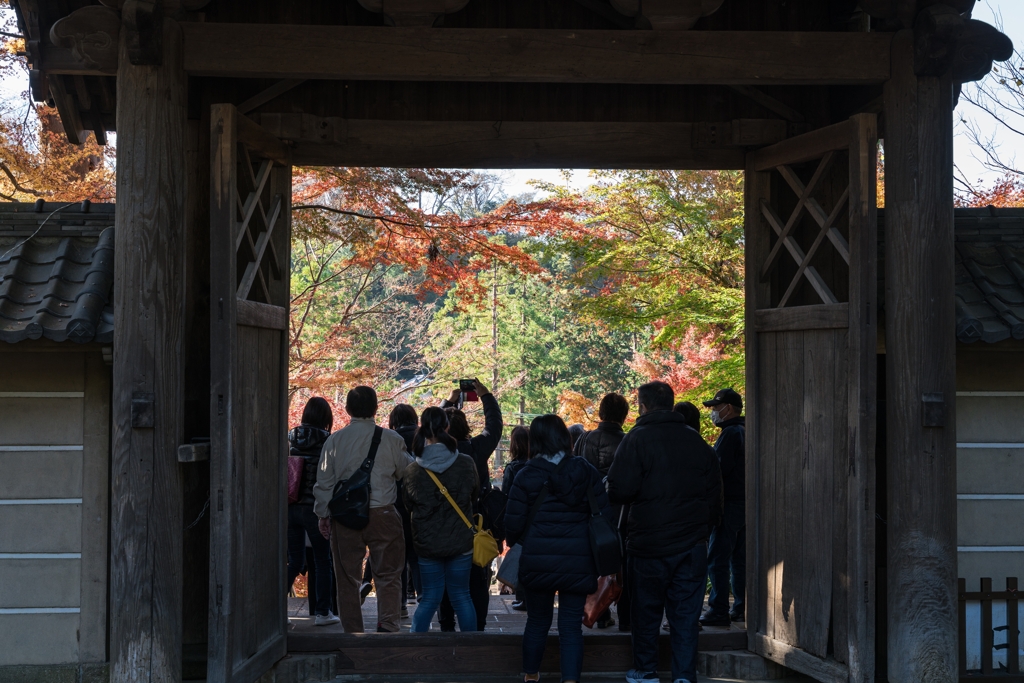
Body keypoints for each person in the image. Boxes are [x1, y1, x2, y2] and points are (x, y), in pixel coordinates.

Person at [607, 381, 721, 683]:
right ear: (671, 404)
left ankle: (645, 671)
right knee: (685, 615)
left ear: (643, 406)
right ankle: (684, 675)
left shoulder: (636, 440)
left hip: (648, 542)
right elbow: (714, 499)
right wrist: (701, 531)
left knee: (646, 611)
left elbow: (619, 489)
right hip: (692, 544)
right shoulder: (697, 442)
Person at [505, 414, 612, 683]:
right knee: (570, 626)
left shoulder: (526, 474)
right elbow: (604, 517)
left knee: (537, 621)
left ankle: (531, 675)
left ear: (535, 441)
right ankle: (571, 679)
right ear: (564, 438)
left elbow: (513, 525)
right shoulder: (585, 471)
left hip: (537, 561)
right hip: (577, 561)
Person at [313, 386, 413, 633]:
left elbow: (324, 483)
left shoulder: (334, 440)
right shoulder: (392, 439)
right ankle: (388, 626)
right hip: (384, 513)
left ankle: (353, 633)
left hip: (346, 516)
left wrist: (322, 514)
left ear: (347, 410)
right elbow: (406, 472)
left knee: (347, 579)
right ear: (376, 408)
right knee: (389, 576)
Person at [402, 407, 481, 632]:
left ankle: (417, 650)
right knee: (462, 596)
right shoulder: (465, 463)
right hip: (460, 539)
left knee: (429, 598)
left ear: (422, 429)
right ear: (447, 427)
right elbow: (473, 496)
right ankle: (470, 649)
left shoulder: (412, 470)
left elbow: (408, 504)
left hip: (427, 542)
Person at [439, 379, 503, 631]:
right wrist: (485, 395)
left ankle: (446, 626)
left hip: (442, 525)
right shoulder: (476, 449)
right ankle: (478, 629)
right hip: (475, 523)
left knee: (445, 579)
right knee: (478, 579)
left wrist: (448, 402)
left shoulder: (432, 452)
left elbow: (429, 426)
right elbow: (494, 426)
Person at [573, 392, 629, 630]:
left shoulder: (584, 439)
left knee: (590, 563)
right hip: (619, 513)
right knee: (619, 564)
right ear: (624, 416)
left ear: (601, 413)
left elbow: (575, 471)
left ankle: (593, 612)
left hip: (588, 510)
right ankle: (620, 612)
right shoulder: (629, 441)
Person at [287, 397, 339, 626]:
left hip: (291, 506)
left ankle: (276, 610)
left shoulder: (291, 438)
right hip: (315, 508)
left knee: (295, 561)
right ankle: (322, 613)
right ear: (326, 417)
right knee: (322, 560)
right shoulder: (329, 441)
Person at [700, 388, 746, 626]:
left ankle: (718, 609)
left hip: (728, 505)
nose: (714, 413)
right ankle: (741, 606)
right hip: (746, 504)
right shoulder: (747, 430)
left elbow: (718, 471)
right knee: (739, 560)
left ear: (728, 408)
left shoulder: (730, 434)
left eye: (716, 408)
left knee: (717, 558)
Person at [501, 425, 531, 611]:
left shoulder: (512, 468)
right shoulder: (537, 466)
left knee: (520, 558)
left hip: (517, 519)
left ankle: (521, 596)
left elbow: (505, 497)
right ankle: (531, 597)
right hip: (535, 520)